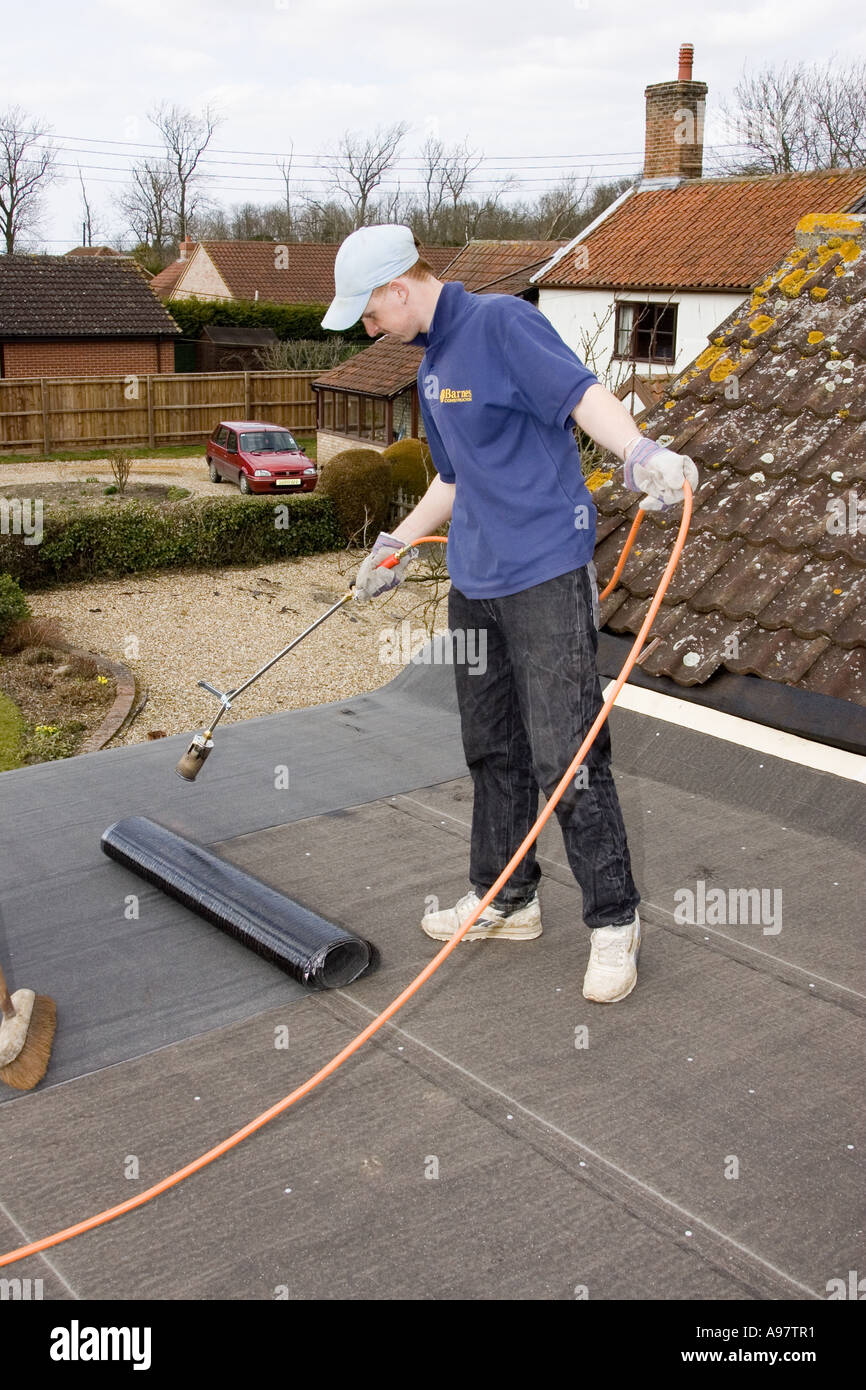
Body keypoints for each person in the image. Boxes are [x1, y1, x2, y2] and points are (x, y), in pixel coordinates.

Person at [321, 225, 697, 1003]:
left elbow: (583, 394)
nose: (367, 329)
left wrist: (639, 453)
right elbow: (454, 482)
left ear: (398, 286)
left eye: (367, 312)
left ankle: (614, 918)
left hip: (544, 574)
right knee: (491, 743)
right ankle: (507, 897)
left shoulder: (501, 324)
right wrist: (396, 542)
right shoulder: (429, 368)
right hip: (478, 578)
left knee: (567, 752)